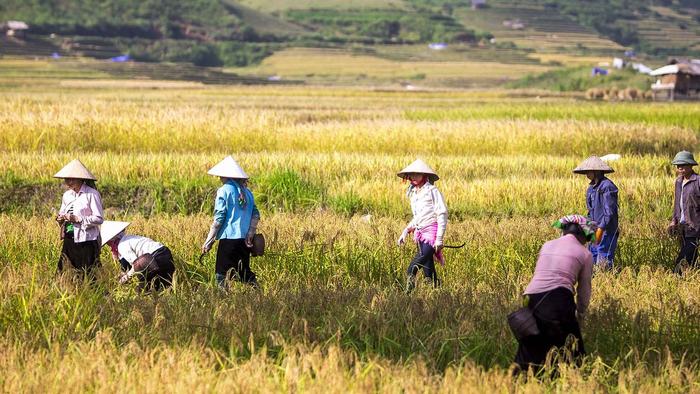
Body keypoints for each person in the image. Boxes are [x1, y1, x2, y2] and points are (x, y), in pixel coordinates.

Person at [513, 214, 595, 374]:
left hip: (531, 296)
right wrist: (581, 313)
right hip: (558, 298)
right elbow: (584, 289)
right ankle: (577, 381)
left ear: (564, 231)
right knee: (573, 348)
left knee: (532, 344)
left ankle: (515, 382)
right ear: (582, 235)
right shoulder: (585, 254)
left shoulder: (547, 245)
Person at [201, 156, 260, 288]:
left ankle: (224, 300)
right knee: (244, 272)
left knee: (220, 274)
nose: (219, 178)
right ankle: (259, 294)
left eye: (221, 176)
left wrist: (208, 241)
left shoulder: (224, 190)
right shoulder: (248, 192)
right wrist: (250, 234)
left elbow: (219, 218)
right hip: (245, 240)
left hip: (229, 239)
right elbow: (255, 214)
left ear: (225, 176)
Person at [396, 159, 448, 292]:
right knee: (428, 272)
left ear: (424, 175)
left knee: (412, 268)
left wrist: (439, 239)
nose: (414, 177)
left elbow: (441, 213)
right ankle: (437, 294)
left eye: (417, 174)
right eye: (412, 174)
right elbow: (418, 217)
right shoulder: (413, 193)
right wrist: (406, 231)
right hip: (420, 235)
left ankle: (408, 294)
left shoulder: (432, 190)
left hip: (431, 235)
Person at [54, 159, 104, 276]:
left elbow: (99, 218)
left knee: (88, 273)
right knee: (64, 270)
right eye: (66, 179)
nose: (68, 182)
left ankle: (93, 292)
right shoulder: (67, 195)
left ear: (81, 179)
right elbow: (62, 212)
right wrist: (60, 219)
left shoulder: (91, 194)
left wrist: (78, 219)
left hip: (86, 240)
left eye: (71, 179)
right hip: (69, 236)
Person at [101, 221, 176, 291]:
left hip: (153, 258)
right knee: (164, 286)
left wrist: (124, 279)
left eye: (109, 243)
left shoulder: (122, 246)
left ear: (113, 240)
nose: (109, 246)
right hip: (164, 253)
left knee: (144, 289)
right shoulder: (128, 238)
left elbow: (136, 265)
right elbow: (126, 267)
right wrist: (118, 277)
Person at [573, 156, 619, 269]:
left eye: (589, 171)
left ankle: (606, 281)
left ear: (597, 171)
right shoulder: (591, 189)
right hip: (594, 228)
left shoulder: (607, 187)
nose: (587, 174)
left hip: (606, 230)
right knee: (591, 258)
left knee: (603, 258)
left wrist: (601, 228)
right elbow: (590, 210)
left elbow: (609, 212)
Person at [668, 151, 700, 274]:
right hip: (682, 226)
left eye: (683, 165)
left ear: (691, 166)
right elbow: (677, 204)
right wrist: (673, 221)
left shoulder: (697, 181)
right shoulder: (678, 182)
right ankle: (692, 276)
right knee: (692, 255)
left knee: (683, 256)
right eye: (678, 165)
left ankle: (676, 276)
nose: (680, 168)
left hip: (695, 226)